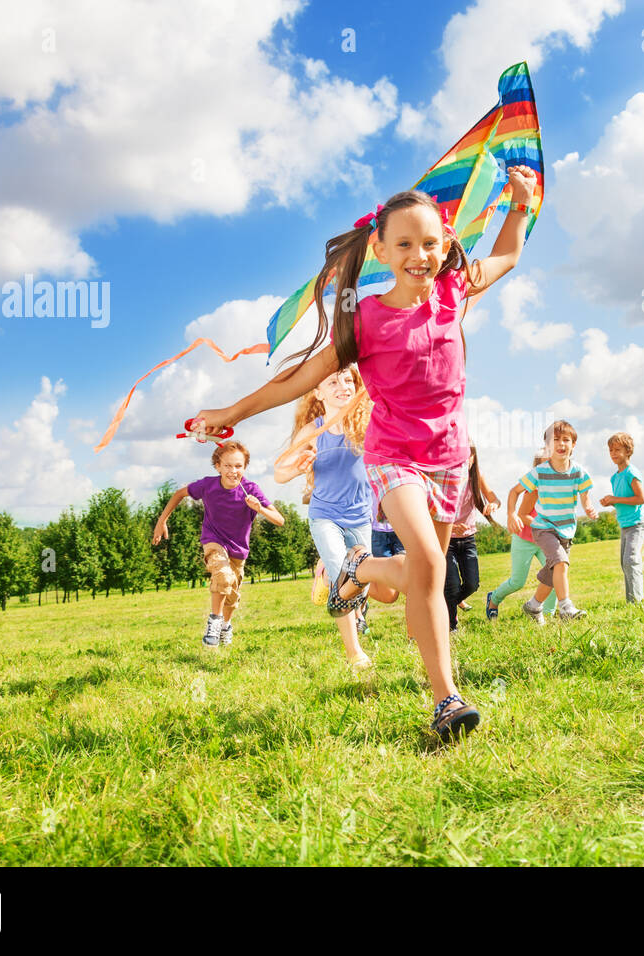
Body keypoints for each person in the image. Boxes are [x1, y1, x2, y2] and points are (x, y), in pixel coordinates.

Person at [191, 165, 539, 740]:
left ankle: (360, 568)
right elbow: (296, 380)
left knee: (433, 578)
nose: (419, 255)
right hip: (394, 456)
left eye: (430, 243)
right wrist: (232, 413)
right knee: (428, 563)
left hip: (449, 458)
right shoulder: (365, 319)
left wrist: (520, 206)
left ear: (446, 244)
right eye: (404, 244)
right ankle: (447, 700)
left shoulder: (454, 294)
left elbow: (507, 256)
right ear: (379, 248)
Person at [275, 366, 392, 669]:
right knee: (345, 578)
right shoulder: (313, 431)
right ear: (318, 392)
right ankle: (355, 653)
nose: (342, 385)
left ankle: (325, 574)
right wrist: (298, 467)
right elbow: (279, 472)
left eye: (348, 380)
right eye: (332, 381)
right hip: (325, 515)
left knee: (359, 585)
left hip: (360, 517)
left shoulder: (367, 423)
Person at [152, 440, 285, 648]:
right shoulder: (208, 485)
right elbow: (179, 494)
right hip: (213, 541)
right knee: (223, 575)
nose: (233, 471)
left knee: (232, 595)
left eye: (238, 466)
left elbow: (280, 520)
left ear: (245, 467)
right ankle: (214, 622)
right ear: (218, 466)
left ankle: (226, 625)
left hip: (238, 550)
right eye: (228, 466)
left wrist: (260, 509)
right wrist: (162, 521)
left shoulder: (250, 489)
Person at [516, 420, 597, 624]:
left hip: (566, 531)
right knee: (560, 563)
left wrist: (588, 507)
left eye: (565, 440)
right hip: (545, 530)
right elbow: (523, 513)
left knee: (552, 573)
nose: (560, 445)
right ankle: (566, 607)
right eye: (555, 441)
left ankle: (533, 605)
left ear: (573, 445)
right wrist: (541, 526)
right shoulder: (538, 480)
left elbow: (585, 494)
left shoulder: (576, 472)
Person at [484, 453, 558, 621]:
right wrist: (546, 526)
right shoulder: (534, 490)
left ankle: (548, 615)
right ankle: (493, 599)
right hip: (524, 539)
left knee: (554, 576)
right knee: (517, 581)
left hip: (543, 540)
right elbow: (523, 515)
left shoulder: (556, 491)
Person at [444, 444, 500, 633]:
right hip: (446, 540)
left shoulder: (476, 477)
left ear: (473, 458)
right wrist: (450, 526)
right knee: (451, 585)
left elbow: (494, 498)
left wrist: (493, 504)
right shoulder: (444, 479)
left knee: (472, 584)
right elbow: (431, 511)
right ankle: (451, 626)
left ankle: (447, 603)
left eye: (468, 457)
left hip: (468, 539)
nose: (463, 461)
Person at [600, 432, 644, 603]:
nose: (613, 453)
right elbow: (624, 499)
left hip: (637, 523)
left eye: (617, 449)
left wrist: (615, 499)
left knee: (630, 560)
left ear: (628, 451)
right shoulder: (615, 477)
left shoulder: (631, 473)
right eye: (611, 450)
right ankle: (631, 601)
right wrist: (610, 502)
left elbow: (640, 499)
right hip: (625, 524)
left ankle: (637, 601)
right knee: (624, 563)